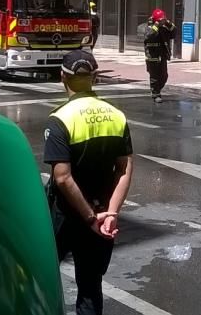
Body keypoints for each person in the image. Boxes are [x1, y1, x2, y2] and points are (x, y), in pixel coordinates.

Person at [43, 49, 135, 315]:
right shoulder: (117, 116)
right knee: (91, 286)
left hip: (66, 215)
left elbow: (62, 177)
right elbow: (124, 169)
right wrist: (111, 214)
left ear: (63, 77)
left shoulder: (59, 119)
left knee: (44, 274)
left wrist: (87, 217)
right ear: (95, 77)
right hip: (103, 212)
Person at [143, 8, 175, 103]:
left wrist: (168, 23)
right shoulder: (150, 28)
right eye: (160, 20)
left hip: (162, 56)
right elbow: (148, 37)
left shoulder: (164, 28)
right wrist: (156, 25)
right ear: (156, 20)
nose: (162, 21)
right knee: (154, 77)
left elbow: (174, 33)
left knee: (164, 76)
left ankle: (156, 90)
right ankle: (156, 95)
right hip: (152, 56)